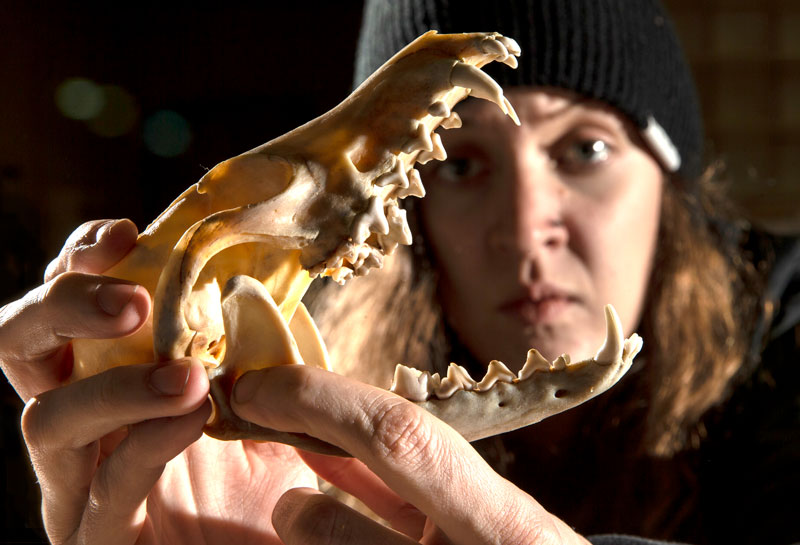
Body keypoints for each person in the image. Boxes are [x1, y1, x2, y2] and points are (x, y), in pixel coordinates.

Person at [0, 1, 798, 544]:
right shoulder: (278, 395)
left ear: (670, 183)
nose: (524, 230)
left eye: (584, 149)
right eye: (459, 165)